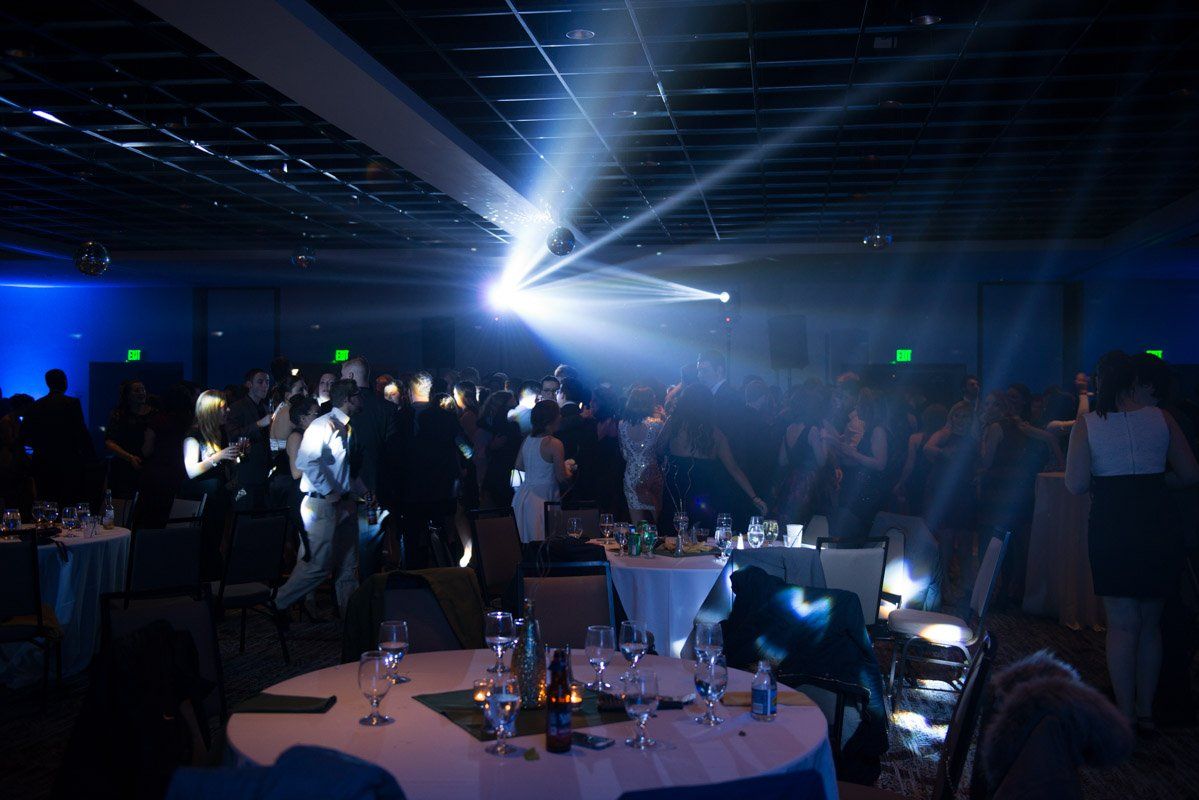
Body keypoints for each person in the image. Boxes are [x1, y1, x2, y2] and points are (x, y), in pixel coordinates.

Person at [1065, 351, 1199, 732]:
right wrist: (1154, 483)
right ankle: (1146, 712)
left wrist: (1111, 481)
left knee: (1122, 624)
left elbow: (1075, 484)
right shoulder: (1162, 418)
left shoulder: (1087, 424)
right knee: (1151, 623)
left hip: (1113, 523)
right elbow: (1190, 474)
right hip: (1158, 521)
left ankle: (1123, 713)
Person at [274, 379, 367, 620]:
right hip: (322, 504)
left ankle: (351, 620)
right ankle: (278, 603)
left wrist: (360, 490)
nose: (361, 399)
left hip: (341, 503)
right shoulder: (323, 425)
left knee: (348, 565)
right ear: (348, 399)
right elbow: (306, 463)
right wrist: (329, 491)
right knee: (317, 566)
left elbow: (340, 468)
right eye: (358, 395)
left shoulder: (342, 425)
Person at [658, 384, 767, 536]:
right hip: (702, 495)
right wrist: (754, 497)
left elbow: (657, 448)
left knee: (671, 534)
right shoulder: (715, 434)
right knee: (700, 539)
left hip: (675, 486)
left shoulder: (673, 424)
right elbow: (733, 468)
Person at [341, 356, 397, 578]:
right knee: (370, 548)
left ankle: (351, 604)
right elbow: (392, 452)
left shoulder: (339, 409)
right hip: (376, 486)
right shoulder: (386, 409)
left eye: (343, 376)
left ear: (352, 377)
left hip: (345, 488)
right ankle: (371, 595)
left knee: (345, 552)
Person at [828, 389, 905, 542]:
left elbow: (880, 463)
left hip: (869, 493)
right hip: (866, 491)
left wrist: (851, 453)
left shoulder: (878, 430)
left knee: (857, 537)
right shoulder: (872, 428)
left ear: (869, 407)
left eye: (859, 404)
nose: (856, 408)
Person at [183, 390, 241, 577]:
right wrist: (219, 456)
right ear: (211, 410)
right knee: (204, 543)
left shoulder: (219, 432)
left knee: (216, 540)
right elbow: (191, 471)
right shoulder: (193, 435)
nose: (228, 410)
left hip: (218, 497)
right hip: (200, 500)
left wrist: (234, 460)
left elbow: (222, 465)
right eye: (224, 408)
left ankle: (214, 583)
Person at [923, 401, 980, 585]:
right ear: (951, 417)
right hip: (946, 490)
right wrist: (943, 452)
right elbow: (927, 448)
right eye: (958, 415)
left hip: (965, 491)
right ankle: (944, 581)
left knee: (965, 538)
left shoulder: (974, 438)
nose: (961, 420)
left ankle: (965, 583)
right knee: (946, 538)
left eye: (966, 416)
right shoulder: (944, 434)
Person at [24, 368, 94, 504]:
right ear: (64, 382)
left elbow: (26, 434)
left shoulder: (36, 405)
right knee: (68, 500)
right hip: (68, 461)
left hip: (43, 462)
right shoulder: (72, 403)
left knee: (46, 500)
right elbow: (81, 432)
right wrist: (90, 457)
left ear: (47, 383)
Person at [511, 400, 575, 543]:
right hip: (544, 497)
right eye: (558, 414)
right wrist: (569, 469)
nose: (561, 417)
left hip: (524, 496)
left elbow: (519, 466)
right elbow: (561, 476)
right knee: (544, 541)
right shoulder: (554, 443)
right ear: (552, 419)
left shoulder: (528, 439)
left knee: (526, 542)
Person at [774, 385, 835, 525]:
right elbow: (821, 461)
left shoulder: (789, 428)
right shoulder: (812, 430)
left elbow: (782, 460)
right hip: (810, 484)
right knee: (812, 525)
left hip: (791, 483)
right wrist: (825, 439)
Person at [138, 383, 195, 527]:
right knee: (177, 518)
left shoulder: (157, 419)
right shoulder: (191, 421)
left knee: (152, 518)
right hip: (180, 472)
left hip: (157, 473)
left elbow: (146, 450)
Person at [224, 368, 272, 509]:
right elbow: (232, 434)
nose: (265, 385)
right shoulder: (237, 407)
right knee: (244, 512)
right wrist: (258, 424)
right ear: (249, 384)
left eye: (267, 382)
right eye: (260, 382)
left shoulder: (265, 407)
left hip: (264, 470)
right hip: (246, 470)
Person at [619, 387, 665, 522]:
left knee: (637, 522)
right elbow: (661, 450)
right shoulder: (657, 425)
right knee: (657, 520)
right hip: (651, 474)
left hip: (631, 474)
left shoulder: (622, 425)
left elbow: (624, 453)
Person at [270, 395, 320, 521]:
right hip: (299, 493)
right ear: (302, 418)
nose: (319, 417)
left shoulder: (312, 435)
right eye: (316, 413)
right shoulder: (296, 437)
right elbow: (296, 472)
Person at [104, 380, 154, 499]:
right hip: (123, 467)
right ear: (127, 395)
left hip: (147, 467)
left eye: (143, 389)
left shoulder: (154, 413)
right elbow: (109, 441)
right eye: (137, 390)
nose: (141, 393)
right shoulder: (119, 414)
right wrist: (129, 457)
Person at [475, 390, 519, 508]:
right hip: (490, 476)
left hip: (504, 476)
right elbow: (478, 457)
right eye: (511, 406)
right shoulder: (485, 429)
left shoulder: (510, 426)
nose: (515, 409)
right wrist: (491, 447)